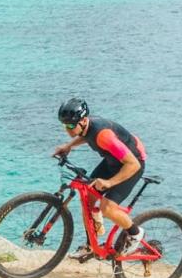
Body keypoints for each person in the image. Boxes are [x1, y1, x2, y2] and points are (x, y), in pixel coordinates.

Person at [51, 98, 144, 257]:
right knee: (87, 198)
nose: (68, 130)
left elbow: (133, 164)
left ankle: (135, 233)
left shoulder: (103, 136)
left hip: (132, 165)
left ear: (84, 120)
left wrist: (109, 183)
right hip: (113, 161)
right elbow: (86, 135)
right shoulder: (86, 127)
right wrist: (68, 146)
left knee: (107, 208)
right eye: (65, 125)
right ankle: (90, 246)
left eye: (72, 125)